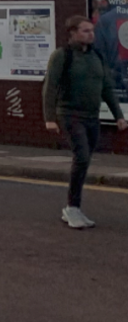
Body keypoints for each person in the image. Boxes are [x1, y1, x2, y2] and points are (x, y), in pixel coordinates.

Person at [43, 15, 128, 229]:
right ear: (72, 33)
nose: (91, 34)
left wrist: (119, 115)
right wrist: (50, 118)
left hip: (92, 116)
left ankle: (74, 208)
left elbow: (107, 87)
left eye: (92, 31)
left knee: (85, 160)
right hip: (71, 115)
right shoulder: (62, 56)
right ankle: (72, 208)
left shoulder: (96, 56)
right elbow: (50, 87)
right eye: (85, 31)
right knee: (81, 156)